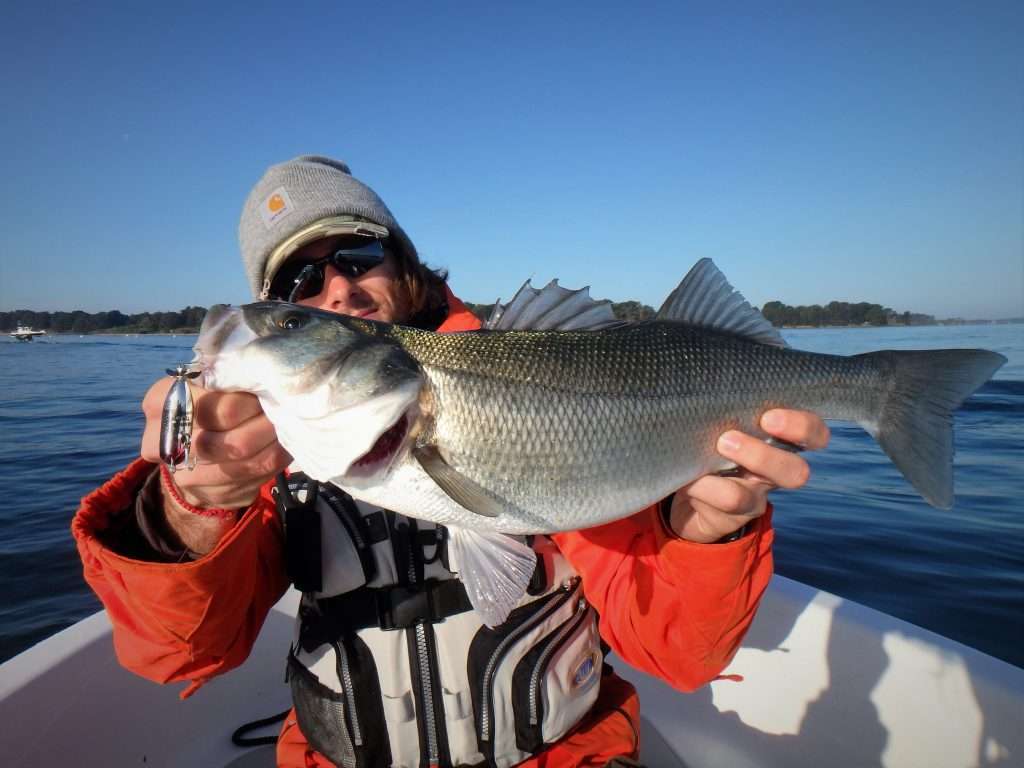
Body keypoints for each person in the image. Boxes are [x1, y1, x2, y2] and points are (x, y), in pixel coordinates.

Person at [73, 155, 830, 767]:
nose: (339, 288)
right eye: (299, 288)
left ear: (404, 260)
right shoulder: (270, 455)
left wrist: (703, 533)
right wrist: (192, 508)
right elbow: (182, 656)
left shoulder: (529, 376)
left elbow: (680, 653)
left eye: (358, 254)